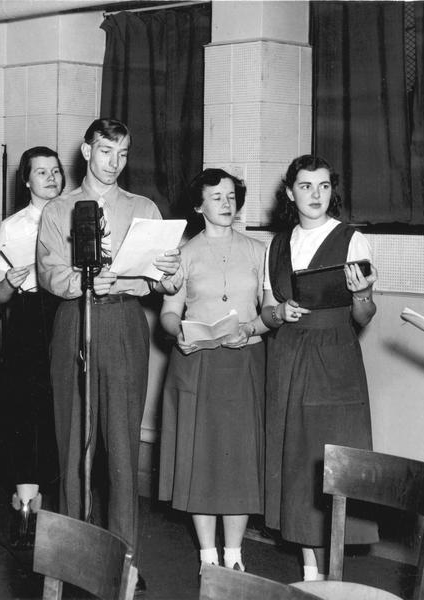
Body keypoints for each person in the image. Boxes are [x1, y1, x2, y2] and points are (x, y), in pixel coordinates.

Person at [36, 118, 181, 590]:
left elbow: (164, 281)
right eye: (105, 152)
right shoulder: (58, 209)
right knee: (72, 444)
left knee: (121, 448)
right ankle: (71, 560)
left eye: (122, 154)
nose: (114, 163)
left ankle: (124, 563)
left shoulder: (144, 208)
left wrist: (170, 273)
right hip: (74, 319)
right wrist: (88, 279)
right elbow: (49, 274)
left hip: (123, 322)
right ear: (86, 151)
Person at [260, 155, 379, 582]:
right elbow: (267, 309)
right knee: (297, 466)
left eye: (324, 186)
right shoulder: (276, 244)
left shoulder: (351, 239)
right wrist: (280, 313)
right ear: (290, 193)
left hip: (334, 359)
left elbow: (364, 315)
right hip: (288, 357)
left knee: (330, 462)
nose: (316, 194)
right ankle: (311, 572)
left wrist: (362, 294)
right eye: (306, 186)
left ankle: (335, 576)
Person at [157, 169, 267, 573]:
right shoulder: (183, 254)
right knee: (201, 459)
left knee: (239, 459)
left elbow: (270, 311)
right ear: (198, 205)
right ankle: (207, 554)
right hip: (197, 361)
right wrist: (178, 335)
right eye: (216, 196)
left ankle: (234, 554)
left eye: (231, 196)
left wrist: (250, 328)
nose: (226, 203)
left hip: (244, 362)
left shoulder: (259, 250)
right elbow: (169, 314)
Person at [0, 146, 64, 528]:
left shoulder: (76, 216)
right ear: (26, 181)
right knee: (26, 411)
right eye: (41, 172)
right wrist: (9, 282)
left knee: (60, 411)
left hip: (67, 313)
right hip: (29, 319)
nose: (51, 178)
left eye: (56, 171)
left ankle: (57, 506)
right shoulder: (12, 227)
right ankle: (25, 505)